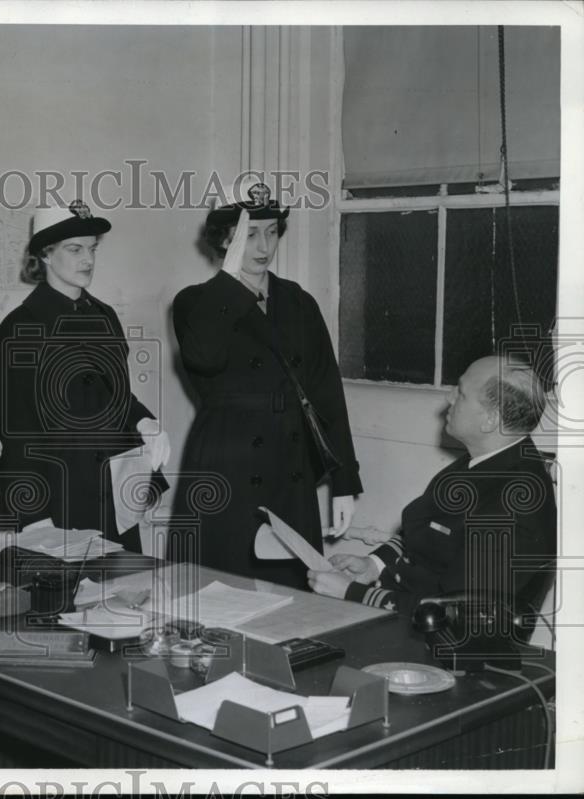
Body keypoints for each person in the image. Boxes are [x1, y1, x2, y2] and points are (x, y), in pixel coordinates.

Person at [167, 179, 362, 588]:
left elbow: (327, 393)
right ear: (225, 239)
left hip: (290, 471)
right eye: (249, 234)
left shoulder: (299, 302)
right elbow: (203, 357)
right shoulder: (195, 302)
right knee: (219, 594)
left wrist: (344, 481)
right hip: (226, 471)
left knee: (292, 597)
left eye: (271, 232)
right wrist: (230, 279)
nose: (263, 247)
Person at [308, 356, 556, 620]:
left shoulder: (513, 503)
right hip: (407, 616)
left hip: (444, 646)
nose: (449, 397)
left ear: (490, 420)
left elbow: (460, 615)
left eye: (460, 393)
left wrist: (353, 594)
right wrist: (373, 565)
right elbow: (427, 531)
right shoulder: (484, 461)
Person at [0, 201, 170, 552]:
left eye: (92, 248)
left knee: (128, 596)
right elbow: (18, 430)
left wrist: (144, 423)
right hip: (60, 501)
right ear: (45, 254)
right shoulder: (22, 327)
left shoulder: (104, 315)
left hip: (115, 499)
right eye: (75, 250)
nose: (87, 259)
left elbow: (117, 399)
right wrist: (33, 519)